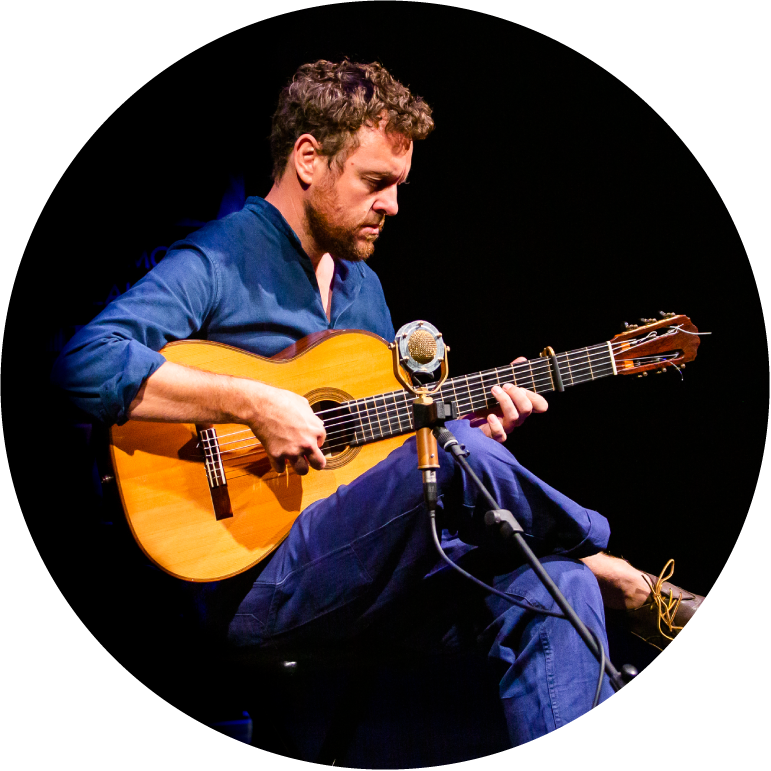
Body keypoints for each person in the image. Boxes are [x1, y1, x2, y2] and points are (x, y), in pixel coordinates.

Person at [52, 60, 703, 753]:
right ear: (308, 158)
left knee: (559, 589)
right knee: (481, 478)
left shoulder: (362, 290)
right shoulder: (221, 258)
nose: (392, 205)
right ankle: (619, 571)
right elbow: (81, 363)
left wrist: (472, 431)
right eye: (375, 182)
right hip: (249, 584)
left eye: (398, 185)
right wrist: (251, 400)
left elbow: (390, 462)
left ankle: (586, 567)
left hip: (364, 580)